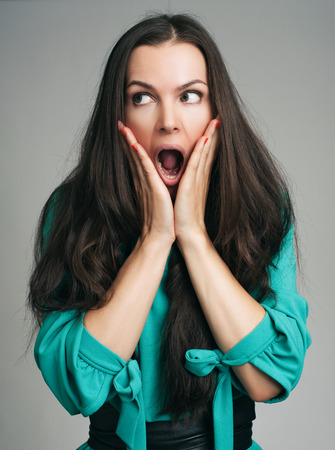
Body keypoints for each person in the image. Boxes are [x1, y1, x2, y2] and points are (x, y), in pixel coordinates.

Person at [28, 13, 311, 450]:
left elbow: (270, 378)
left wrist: (193, 235)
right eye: (142, 98)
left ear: (217, 110)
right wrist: (156, 239)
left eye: (190, 96)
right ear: (117, 114)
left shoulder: (261, 205)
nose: (168, 121)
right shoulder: (72, 212)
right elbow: (78, 387)